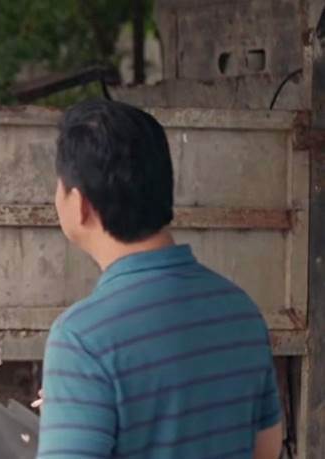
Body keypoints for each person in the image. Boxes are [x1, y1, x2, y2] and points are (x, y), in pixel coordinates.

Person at [37, 99, 283, 458]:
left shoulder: (81, 339)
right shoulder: (240, 310)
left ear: (79, 204)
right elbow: (266, 449)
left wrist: (71, 412)